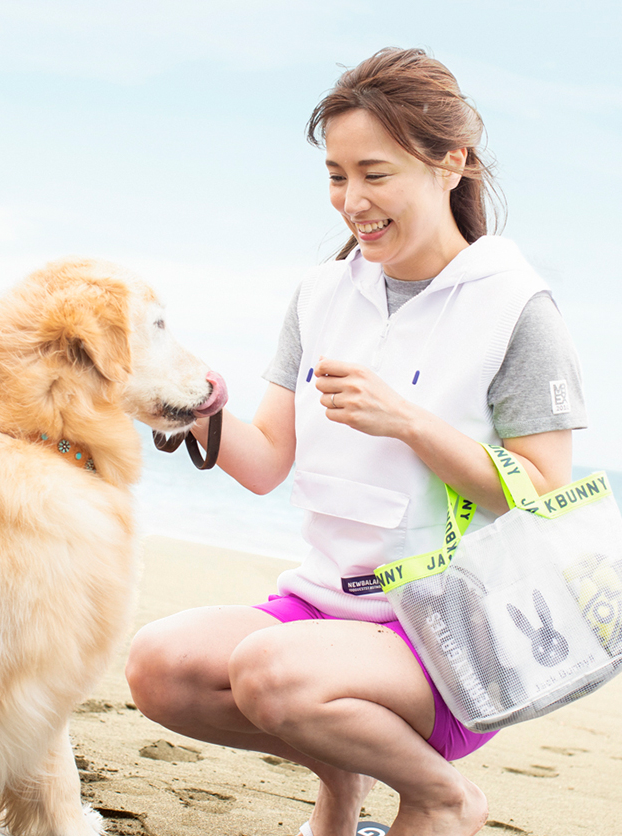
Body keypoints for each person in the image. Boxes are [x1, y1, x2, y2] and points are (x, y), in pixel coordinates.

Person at [125, 48, 587, 836]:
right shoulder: (322, 295)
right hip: (324, 608)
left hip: (454, 630)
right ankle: (342, 793)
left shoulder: (516, 307)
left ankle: (444, 798)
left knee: (273, 673)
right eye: (337, 175)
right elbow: (267, 459)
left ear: (451, 165)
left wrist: (409, 423)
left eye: (375, 174)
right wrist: (180, 399)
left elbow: (547, 495)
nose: (353, 201)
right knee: (160, 667)